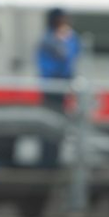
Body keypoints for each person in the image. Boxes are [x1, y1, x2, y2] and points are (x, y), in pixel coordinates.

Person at [35, 9, 80, 167]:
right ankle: (46, 161)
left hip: (62, 87)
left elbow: (72, 58)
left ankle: (54, 160)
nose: (65, 22)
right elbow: (51, 64)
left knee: (60, 123)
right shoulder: (48, 39)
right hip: (51, 87)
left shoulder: (69, 37)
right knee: (48, 123)